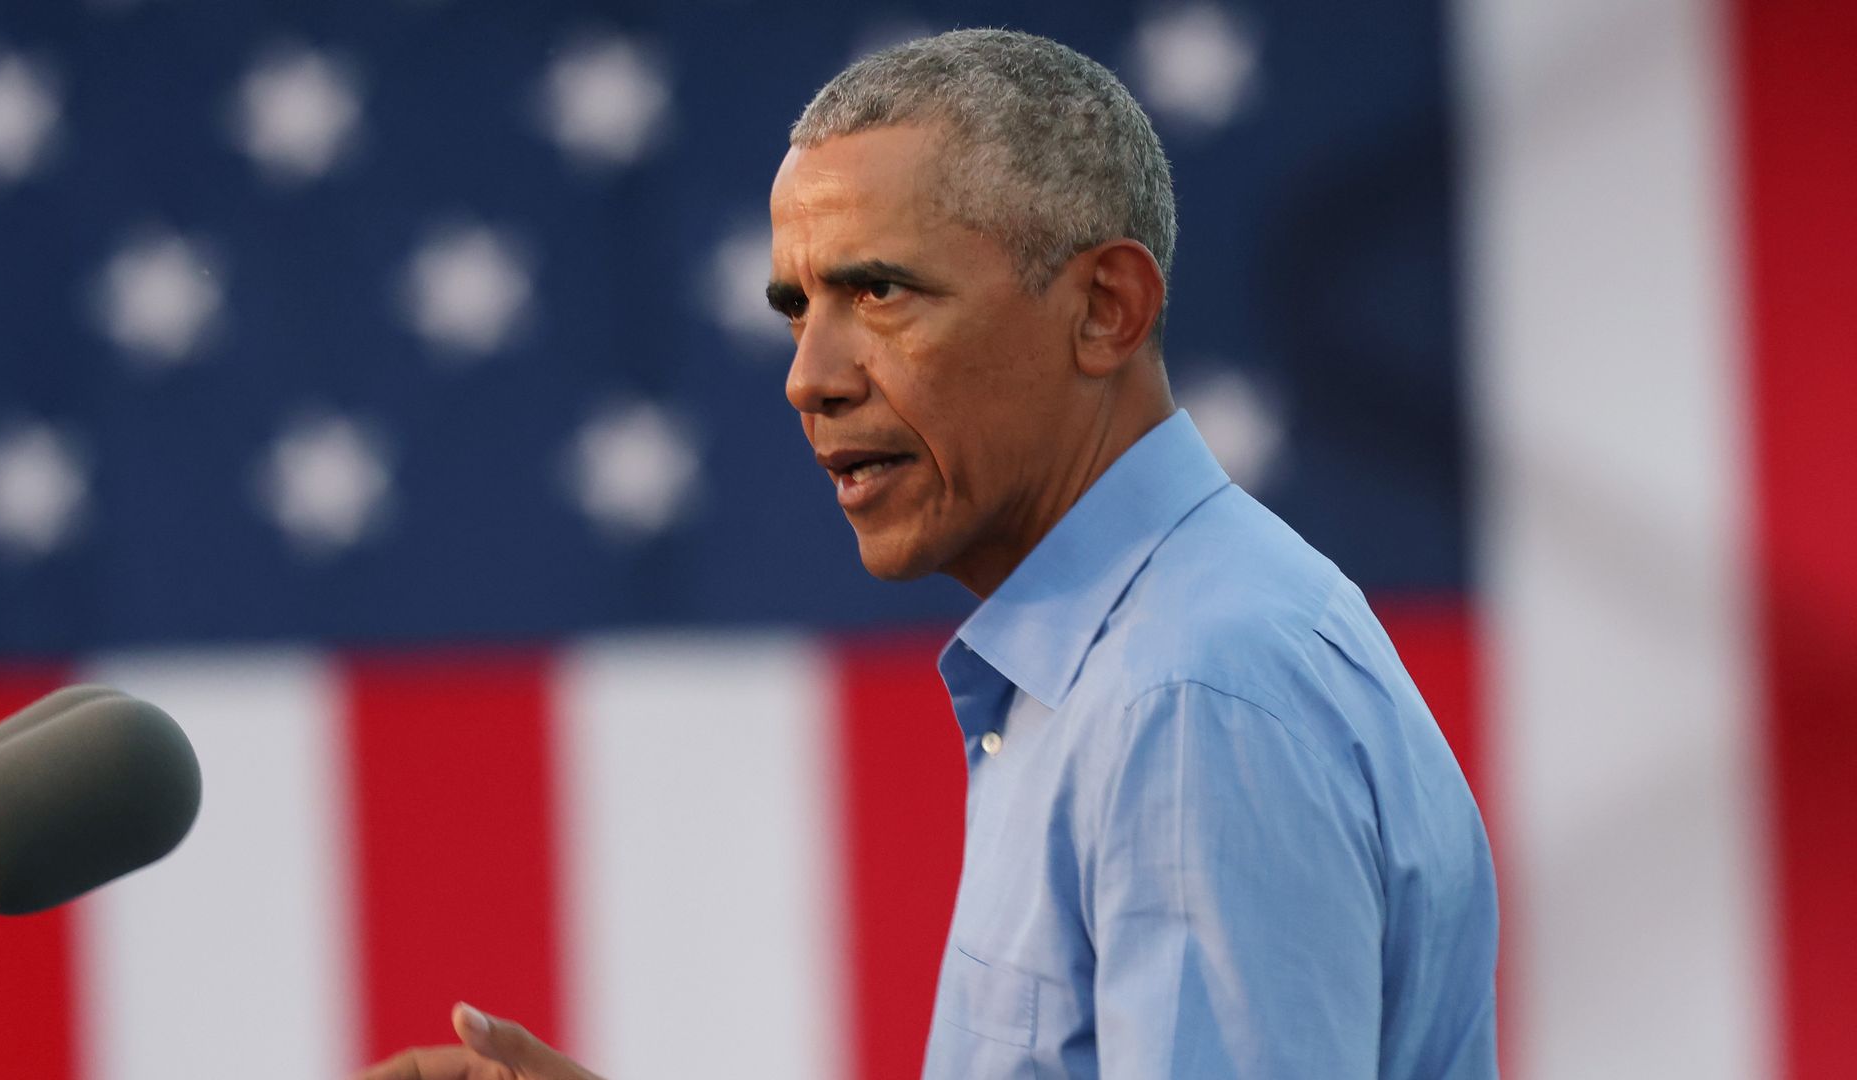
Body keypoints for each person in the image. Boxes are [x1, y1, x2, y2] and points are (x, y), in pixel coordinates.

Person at [357, 28, 1498, 1080]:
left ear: (1106, 307)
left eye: (878, 291)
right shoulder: (1142, 656)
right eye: (797, 308)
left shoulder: (1189, 694)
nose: (809, 376)